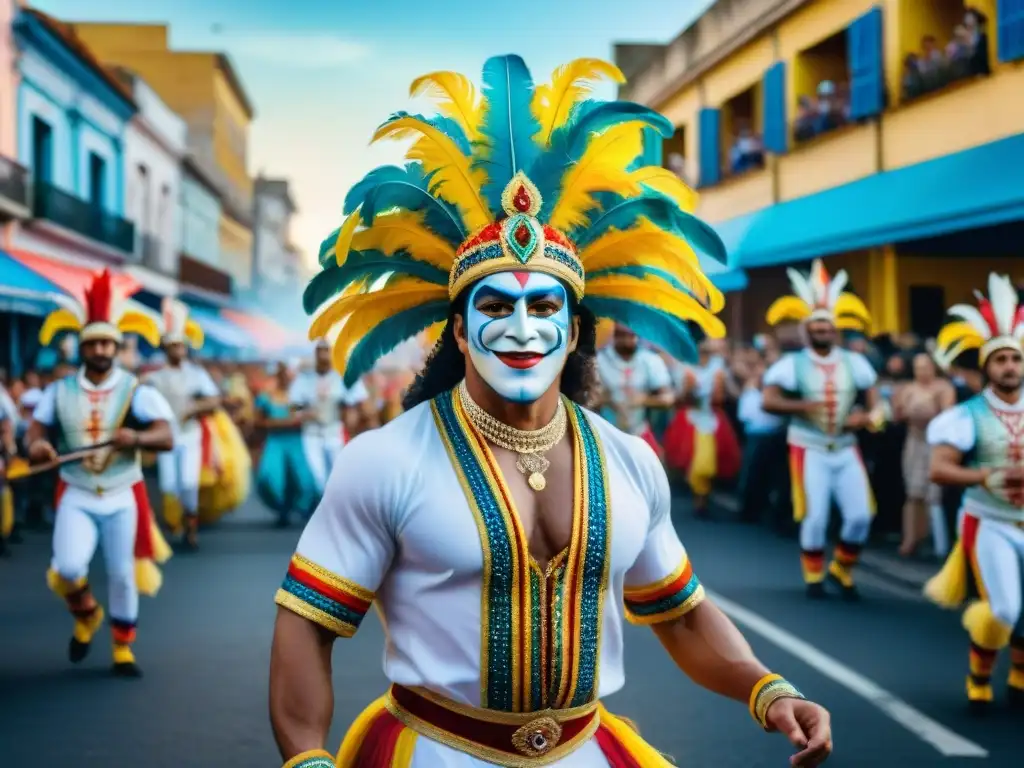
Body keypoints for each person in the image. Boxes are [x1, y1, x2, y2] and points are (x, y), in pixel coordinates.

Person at [268, 55, 832, 768]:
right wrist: (308, 759)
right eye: (496, 306)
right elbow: (307, 621)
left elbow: (681, 614)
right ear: (460, 332)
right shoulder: (385, 460)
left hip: (586, 751)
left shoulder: (629, 460)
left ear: (572, 332)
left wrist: (769, 691)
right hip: (434, 751)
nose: (522, 328)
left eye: (544, 307)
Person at [27, 269, 174, 676]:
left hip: (121, 493)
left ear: (116, 346)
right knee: (68, 567)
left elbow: (166, 435)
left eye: (107, 343)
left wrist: (136, 438)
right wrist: (37, 446)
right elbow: (36, 429)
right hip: (76, 491)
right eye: (93, 343)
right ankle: (87, 613)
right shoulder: (59, 390)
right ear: (83, 348)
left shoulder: (136, 389)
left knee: (122, 574)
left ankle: (123, 649)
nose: (100, 349)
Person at [925, 273, 1024, 712]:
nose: (1009, 366)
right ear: (986, 367)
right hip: (989, 522)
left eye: (1015, 358)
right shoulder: (966, 414)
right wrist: (984, 476)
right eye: (1000, 359)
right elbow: (938, 469)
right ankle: (979, 676)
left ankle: (1019, 677)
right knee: (1004, 609)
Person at [762, 260, 884, 599]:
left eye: (827, 325)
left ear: (835, 329)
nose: (822, 330)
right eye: (816, 325)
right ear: (807, 329)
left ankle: (842, 568)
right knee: (815, 517)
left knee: (860, 516)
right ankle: (813, 577)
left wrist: (868, 418)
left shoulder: (855, 363)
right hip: (809, 447)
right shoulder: (792, 364)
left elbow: (877, 404)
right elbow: (768, 401)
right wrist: (802, 406)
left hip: (845, 446)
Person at [146, 298, 221, 550]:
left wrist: (194, 408)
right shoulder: (155, 377)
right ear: (166, 348)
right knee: (169, 485)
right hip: (166, 437)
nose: (178, 350)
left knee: (189, 483)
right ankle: (174, 524)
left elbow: (214, 400)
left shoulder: (196, 374)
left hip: (189, 435)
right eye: (173, 346)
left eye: (181, 345)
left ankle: (191, 529)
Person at [663, 339, 741, 517]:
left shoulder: (719, 367)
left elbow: (732, 393)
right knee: (696, 464)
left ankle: (703, 499)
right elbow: (678, 398)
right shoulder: (684, 368)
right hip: (691, 420)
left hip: (712, 420)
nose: (703, 354)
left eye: (706, 351)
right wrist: (688, 390)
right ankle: (699, 501)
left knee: (707, 465)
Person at [288, 340, 371, 496]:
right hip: (311, 434)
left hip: (334, 432)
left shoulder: (342, 376)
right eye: (320, 351)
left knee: (338, 475)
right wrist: (306, 411)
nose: (323, 355)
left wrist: (352, 416)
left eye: (327, 351)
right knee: (317, 478)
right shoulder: (304, 378)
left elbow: (358, 402)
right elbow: (293, 407)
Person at [895, 353, 955, 557]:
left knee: (934, 495)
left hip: (936, 444)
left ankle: (940, 544)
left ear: (933, 367)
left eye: (924, 367)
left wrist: (929, 412)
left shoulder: (944, 387)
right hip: (914, 441)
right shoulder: (908, 389)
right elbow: (897, 414)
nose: (921, 371)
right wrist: (910, 412)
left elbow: (949, 415)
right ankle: (910, 539)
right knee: (913, 492)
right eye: (917, 368)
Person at [595, 324, 674, 455]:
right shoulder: (599, 359)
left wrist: (643, 400)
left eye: (631, 335)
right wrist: (609, 400)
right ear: (615, 335)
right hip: (606, 433)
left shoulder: (649, 359)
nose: (627, 340)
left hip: (639, 432)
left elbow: (668, 398)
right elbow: (586, 399)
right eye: (622, 335)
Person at [255, 361, 317, 526]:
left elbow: (302, 417)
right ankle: (281, 508)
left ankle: (299, 508)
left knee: (301, 478)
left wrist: (298, 419)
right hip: (275, 441)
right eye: (282, 373)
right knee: (271, 477)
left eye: (289, 374)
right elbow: (258, 421)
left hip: (296, 442)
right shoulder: (267, 396)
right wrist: (277, 423)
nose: (286, 377)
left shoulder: (296, 397)